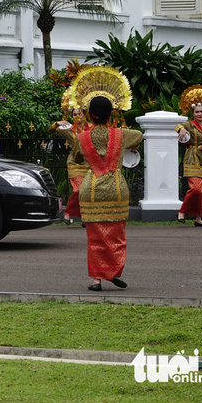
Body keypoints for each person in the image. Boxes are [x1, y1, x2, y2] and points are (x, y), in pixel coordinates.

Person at [76, 96, 143, 291]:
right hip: (115, 188)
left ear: (90, 115)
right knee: (116, 236)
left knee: (95, 238)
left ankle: (97, 279)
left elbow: (77, 157)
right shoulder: (121, 135)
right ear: (110, 115)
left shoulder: (83, 137)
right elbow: (138, 136)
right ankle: (112, 272)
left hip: (92, 189)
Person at [175, 85, 202, 227]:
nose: (199, 114)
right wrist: (181, 129)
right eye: (197, 112)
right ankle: (182, 212)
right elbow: (178, 125)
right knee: (196, 188)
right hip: (192, 158)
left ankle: (198, 218)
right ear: (193, 113)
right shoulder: (190, 125)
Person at [50, 104, 89, 226]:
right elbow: (51, 131)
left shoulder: (91, 128)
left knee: (86, 191)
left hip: (87, 163)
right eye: (74, 114)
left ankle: (84, 217)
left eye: (80, 114)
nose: (77, 116)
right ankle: (68, 212)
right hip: (74, 163)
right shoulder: (68, 129)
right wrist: (57, 123)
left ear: (85, 115)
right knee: (78, 190)